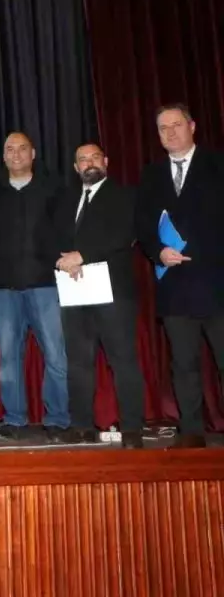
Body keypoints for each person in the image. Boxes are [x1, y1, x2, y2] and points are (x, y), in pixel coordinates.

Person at [136, 104, 224, 448]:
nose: (170, 132)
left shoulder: (217, 164)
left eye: (176, 125)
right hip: (174, 286)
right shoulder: (151, 174)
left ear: (192, 126)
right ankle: (191, 433)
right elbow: (143, 224)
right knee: (183, 363)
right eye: (163, 128)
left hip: (216, 283)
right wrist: (157, 251)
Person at [48, 144, 144, 449]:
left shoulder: (124, 196)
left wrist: (82, 255)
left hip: (113, 291)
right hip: (74, 288)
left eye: (94, 157)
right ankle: (82, 427)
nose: (89, 163)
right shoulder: (65, 199)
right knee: (78, 362)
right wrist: (63, 259)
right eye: (82, 159)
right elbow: (49, 235)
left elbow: (123, 234)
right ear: (75, 168)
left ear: (106, 161)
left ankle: (132, 429)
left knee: (123, 360)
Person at [0, 132, 69, 442]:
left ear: (33, 154)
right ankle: (14, 419)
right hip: (1, 289)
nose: (16, 154)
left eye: (22, 149)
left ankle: (57, 420)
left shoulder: (54, 190)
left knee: (56, 357)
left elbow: (66, 232)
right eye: (10, 149)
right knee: (8, 359)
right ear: (3, 156)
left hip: (46, 285)